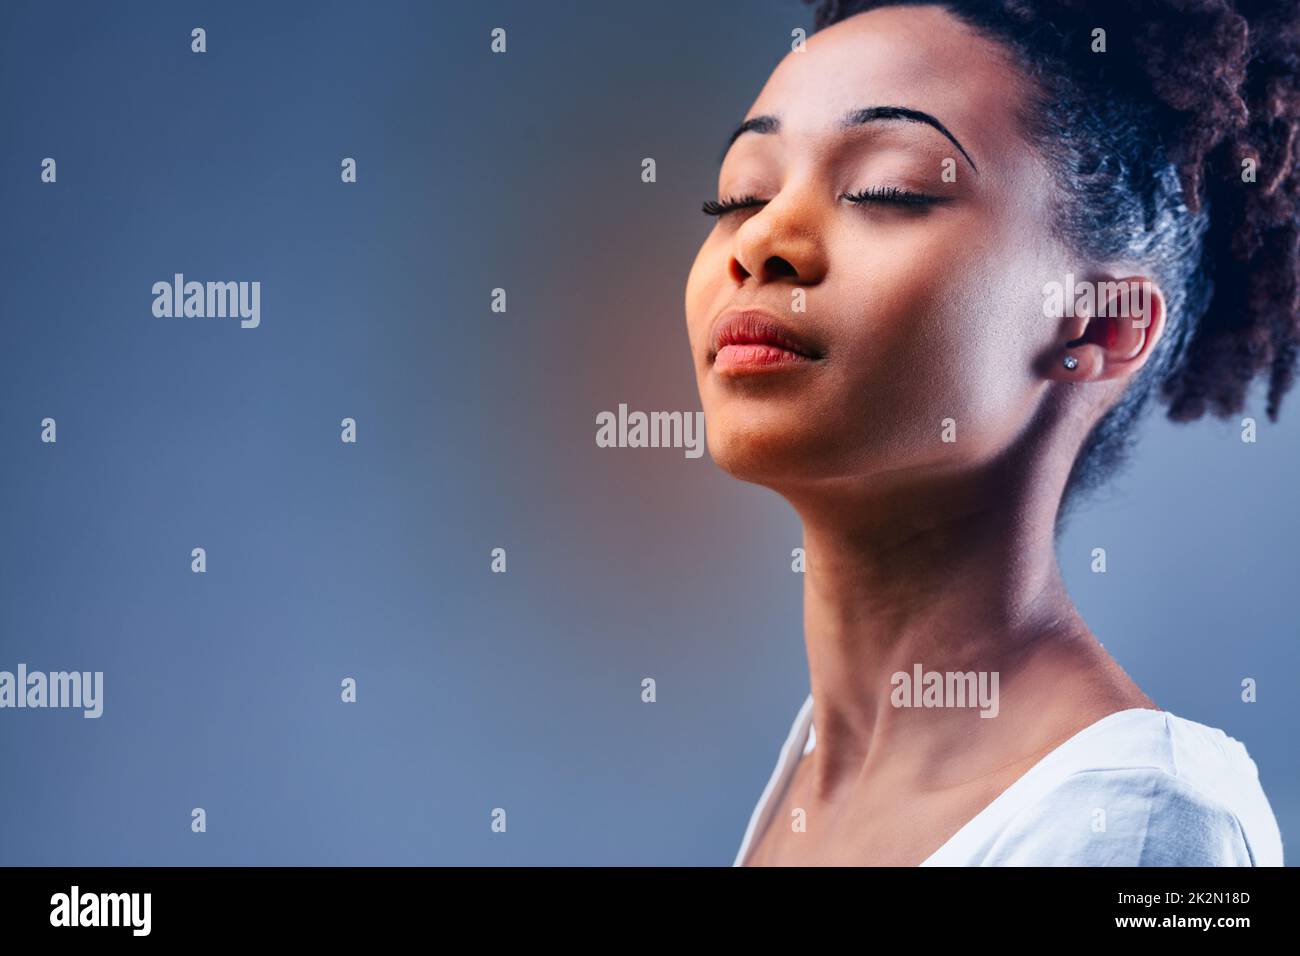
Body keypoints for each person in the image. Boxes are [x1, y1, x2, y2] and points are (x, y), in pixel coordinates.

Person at [682, 0, 1296, 865]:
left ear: (1098, 328)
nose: (762, 240)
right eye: (741, 193)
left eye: (887, 190)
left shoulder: (1145, 823)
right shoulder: (821, 766)